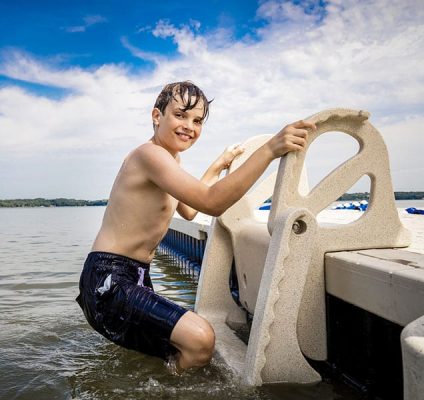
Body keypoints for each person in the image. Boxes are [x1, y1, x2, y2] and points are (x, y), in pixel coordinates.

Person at [76, 81, 315, 372]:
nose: (189, 125)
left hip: (134, 278)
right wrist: (269, 149)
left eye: (198, 120)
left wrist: (219, 164)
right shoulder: (149, 156)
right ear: (156, 116)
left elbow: (189, 211)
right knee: (200, 339)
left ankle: (160, 386)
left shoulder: (169, 161)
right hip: (109, 279)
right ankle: (169, 388)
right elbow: (210, 203)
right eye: (180, 115)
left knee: (171, 352)